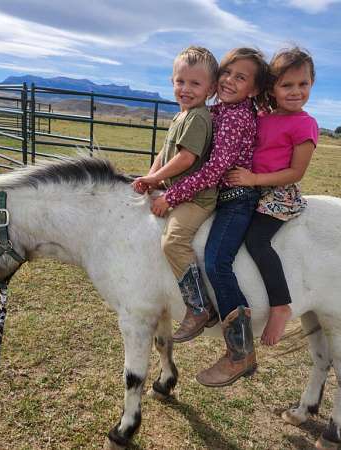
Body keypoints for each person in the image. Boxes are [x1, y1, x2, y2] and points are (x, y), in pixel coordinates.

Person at [150, 48, 270, 387]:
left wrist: (171, 195)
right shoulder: (218, 110)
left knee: (218, 261)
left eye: (240, 77)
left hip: (236, 200)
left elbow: (216, 169)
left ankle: (240, 351)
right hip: (220, 196)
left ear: (255, 89)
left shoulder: (235, 117)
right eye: (227, 73)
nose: (230, 81)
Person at [226, 47, 319, 347]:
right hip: (251, 187)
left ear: (311, 84)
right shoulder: (263, 115)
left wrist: (254, 179)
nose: (296, 92)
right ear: (272, 88)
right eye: (286, 85)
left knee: (256, 240)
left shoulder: (305, 125)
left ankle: (280, 305)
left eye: (302, 84)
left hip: (279, 193)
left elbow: (295, 173)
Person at [132, 46, 219, 341]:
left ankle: (198, 306)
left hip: (196, 198)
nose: (186, 89)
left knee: (173, 241)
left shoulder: (197, 117)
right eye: (181, 81)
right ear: (172, 82)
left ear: (210, 89)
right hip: (176, 189)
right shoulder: (180, 116)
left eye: (195, 83)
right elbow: (165, 152)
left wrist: (156, 177)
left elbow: (185, 159)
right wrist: (151, 177)